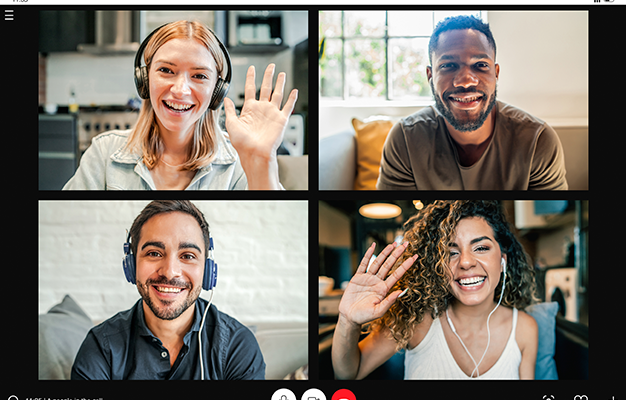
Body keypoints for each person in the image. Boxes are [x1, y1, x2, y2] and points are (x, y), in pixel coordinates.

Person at [63, 20, 298, 190]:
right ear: (144, 80)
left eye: (199, 76)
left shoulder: (238, 162)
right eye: (166, 70)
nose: (180, 90)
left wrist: (261, 160)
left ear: (217, 91)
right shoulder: (103, 154)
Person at [332, 200, 538, 379]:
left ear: (503, 260)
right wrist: (347, 321)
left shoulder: (524, 328)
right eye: (451, 252)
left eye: (481, 248)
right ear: (437, 266)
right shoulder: (418, 320)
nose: (465, 262)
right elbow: (349, 373)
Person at [71, 200, 265, 380]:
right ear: (131, 265)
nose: (170, 272)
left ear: (208, 270)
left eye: (187, 256)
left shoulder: (237, 346)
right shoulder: (100, 347)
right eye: (154, 253)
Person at [377, 15, 567, 190]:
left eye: (480, 65)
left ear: (496, 73)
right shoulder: (404, 140)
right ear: (430, 76)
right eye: (448, 66)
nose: (466, 80)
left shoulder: (538, 140)